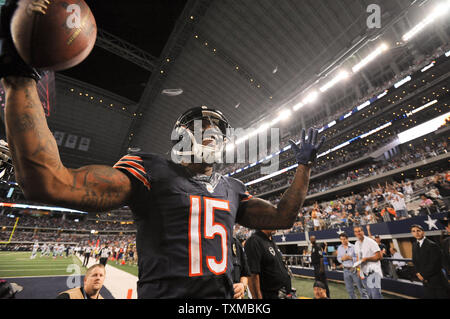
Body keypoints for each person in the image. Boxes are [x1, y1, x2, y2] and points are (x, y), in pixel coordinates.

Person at [0, 1, 325, 297]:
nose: (211, 131)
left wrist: (304, 167)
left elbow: (283, 217)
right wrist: (20, 76)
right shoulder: (149, 170)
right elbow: (51, 183)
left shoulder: (233, 189)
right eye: (200, 126)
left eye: (218, 129)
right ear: (180, 138)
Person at [245, 230, 295, 299]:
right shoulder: (254, 240)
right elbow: (252, 275)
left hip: (284, 293)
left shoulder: (270, 239)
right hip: (270, 294)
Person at [410, 224, 449, 299]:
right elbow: (415, 261)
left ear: (423, 232)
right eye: (413, 231)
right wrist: (418, 273)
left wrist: (423, 275)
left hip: (437, 281)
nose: (416, 233)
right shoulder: (414, 245)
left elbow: (435, 264)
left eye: (418, 231)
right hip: (425, 281)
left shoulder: (432, 245)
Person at [353, 226, 383, 299]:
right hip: (364, 273)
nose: (358, 233)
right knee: (370, 296)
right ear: (354, 233)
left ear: (363, 231)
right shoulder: (356, 243)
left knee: (376, 296)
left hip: (373, 272)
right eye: (356, 232)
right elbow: (358, 259)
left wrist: (367, 259)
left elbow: (379, 257)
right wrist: (358, 270)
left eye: (359, 231)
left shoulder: (370, 241)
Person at [336, 233, 368, 299]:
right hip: (345, 270)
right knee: (349, 289)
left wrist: (350, 258)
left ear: (347, 239)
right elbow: (338, 259)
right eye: (341, 239)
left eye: (344, 239)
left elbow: (359, 258)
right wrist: (342, 259)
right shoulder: (339, 248)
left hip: (355, 270)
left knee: (361, 288)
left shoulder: (354, 247)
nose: (343, 241)